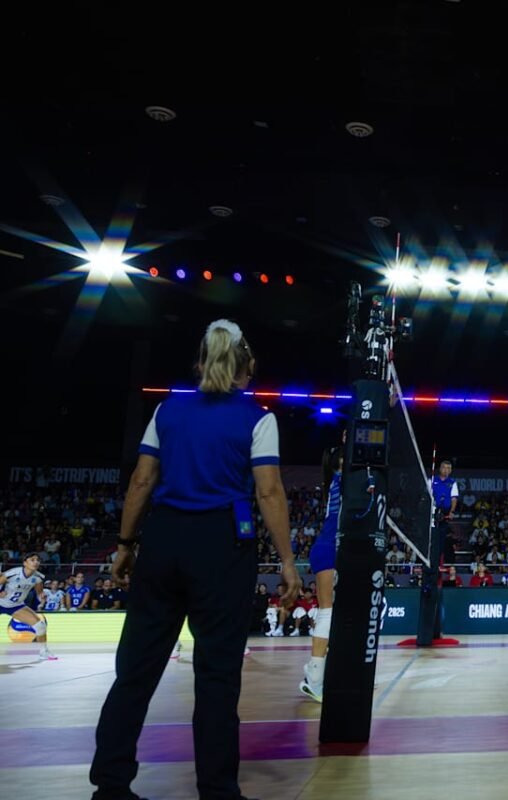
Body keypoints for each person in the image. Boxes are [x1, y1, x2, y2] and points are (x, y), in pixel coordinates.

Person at [90, 319, 300, 800]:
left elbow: (142, 482)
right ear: (246, 366)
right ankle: (218, 790)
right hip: (222, 547)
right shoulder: (258, 418)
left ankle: (110, 784)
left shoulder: (167, 410)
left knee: (136, 671)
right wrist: (287, 560)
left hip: (163, 541)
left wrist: (125, 544)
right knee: (217, 676)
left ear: (201, 362)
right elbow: (268, 491)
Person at [299, 443, 342, 703]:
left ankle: (322, 673)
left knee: (340, 613)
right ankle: (315, 680)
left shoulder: (337, 480)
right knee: (327, 612)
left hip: (333, 548)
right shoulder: (343, 480)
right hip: (330, 548)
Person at [0, 553, 56, 660]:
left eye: (38, 560)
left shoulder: (38, 577)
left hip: (15, 606)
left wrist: (41, 597)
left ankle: (44, 652)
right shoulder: (12, 573)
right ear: (25, 563)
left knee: (40, 625)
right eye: (32, 560)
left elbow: (39, 592)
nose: (36, 562)